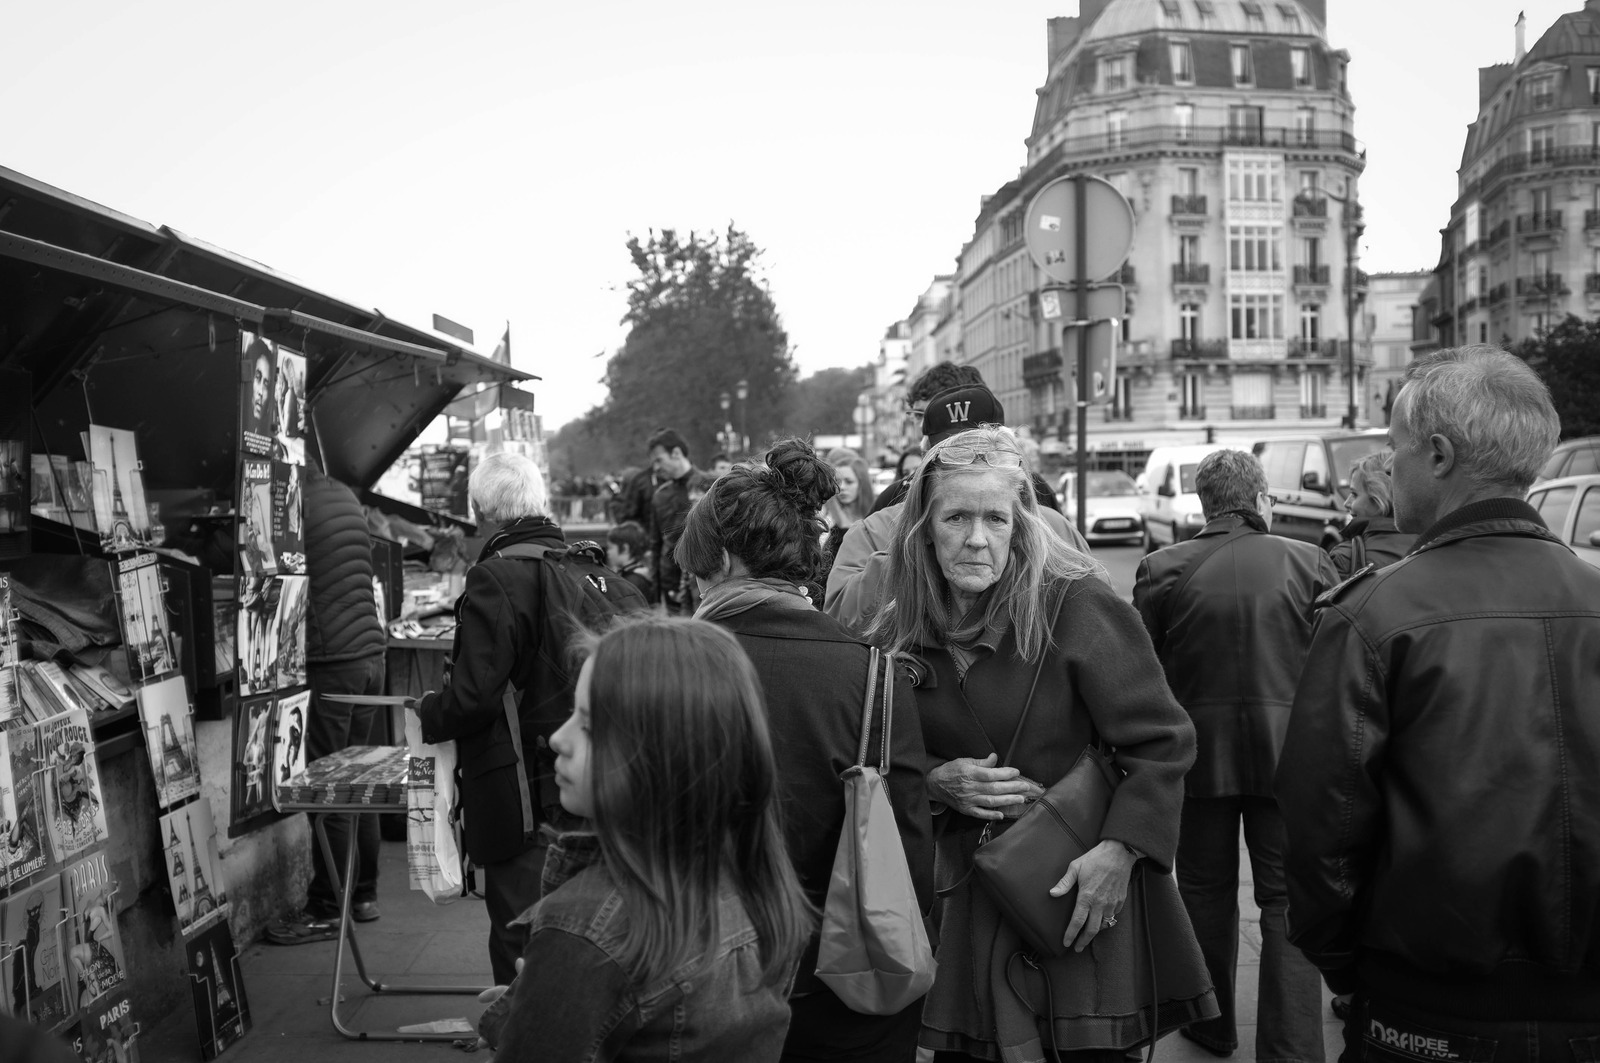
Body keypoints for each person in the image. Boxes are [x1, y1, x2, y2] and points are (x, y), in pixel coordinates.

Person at [1277, 346, 1600, 1058]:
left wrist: (1355, 964)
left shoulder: (1372, 614)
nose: (1389, 466)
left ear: (1441, 454)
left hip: (1427, 1006)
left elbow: (1319, 826)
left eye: (1395, 447)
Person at [868, 426, 1212, 1061]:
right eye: (957, 517)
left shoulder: (1077, 606)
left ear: (1021, 524)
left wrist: (1120, 851)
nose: (976, 538)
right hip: (966, 903)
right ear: (924, 527)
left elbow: (1163, 742)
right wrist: (939, 780)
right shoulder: (900, 624)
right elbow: (875, 759)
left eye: (995, 518)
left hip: (1076, 897)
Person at [678, 439, 934, 1062]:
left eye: (695, 567)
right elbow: (908, 842)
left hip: (700, 977)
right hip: (844, 978)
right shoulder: (874, 671)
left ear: (727, 561)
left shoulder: (668, 665)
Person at [487, 616, 814, 1060]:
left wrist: (526, 1015)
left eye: (588, 724)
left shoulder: (587, 930)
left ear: (660, 753)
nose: (557, 739)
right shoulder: (756, 886)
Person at [1131, 449, 1336, 1062]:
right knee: (1286, 900)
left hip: (1198, 755)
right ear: (1261, 497)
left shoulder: (1162, 567)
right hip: (1290, 759)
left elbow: (1145, 672)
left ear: (1202, 502)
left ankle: (1211, 1024)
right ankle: (1293, 1046)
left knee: (1201, 889)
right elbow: (1332, 664)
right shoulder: (1310, 561)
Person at [415, 452, 605, 985]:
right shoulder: (588, 567)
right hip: (596, 782)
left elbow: (472, 696)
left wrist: (429, 711)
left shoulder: (495, 578)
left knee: (521, 931)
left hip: (521, 790)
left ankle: (522, 1034)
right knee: (585, 929)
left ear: (482, 512)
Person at [825, 386, 1090, 635]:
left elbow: (1096, 623)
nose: (969, 466)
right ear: (925, 462)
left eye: (982, 450)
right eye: (950, 453)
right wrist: (904, 554)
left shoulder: (1053, 528)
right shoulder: (876, 530)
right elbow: (840, 624)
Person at [267, 460, 388, 945]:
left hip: (332, 657)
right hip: (368, 653)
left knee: (331, 785)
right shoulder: (342, 494)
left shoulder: (293, 504)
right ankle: (364, 894)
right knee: (360, 776)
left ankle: (325, 906)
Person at [872, 368, 1060, 516]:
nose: (922, 427)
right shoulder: (897, 498)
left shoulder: (1035, 491)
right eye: (918, 416)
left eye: (928, 414)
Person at [646, 428, 712, 615]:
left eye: (659, 460)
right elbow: (656, 545)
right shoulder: (659, 495)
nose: (656, 468)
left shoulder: (711, 485)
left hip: (705, 581)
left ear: (676, 453)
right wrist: (656, 593)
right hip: (672, 584)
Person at [1326, 450, 1415, 578]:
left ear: (1379, 500)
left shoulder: (1345, 558)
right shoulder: (1433, 546)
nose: (1346, 502)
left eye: (1355, 494)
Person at [821, 447, 876, 573]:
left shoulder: (875, 516)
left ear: (862, 484)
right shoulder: (826, 518)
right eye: (838, 482)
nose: (842, 488)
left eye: (849, 482)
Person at [605, 520, 655, 603]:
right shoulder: (637, 574)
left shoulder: (632, 582)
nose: (608, 552)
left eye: (610, 548)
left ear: (625, 548)